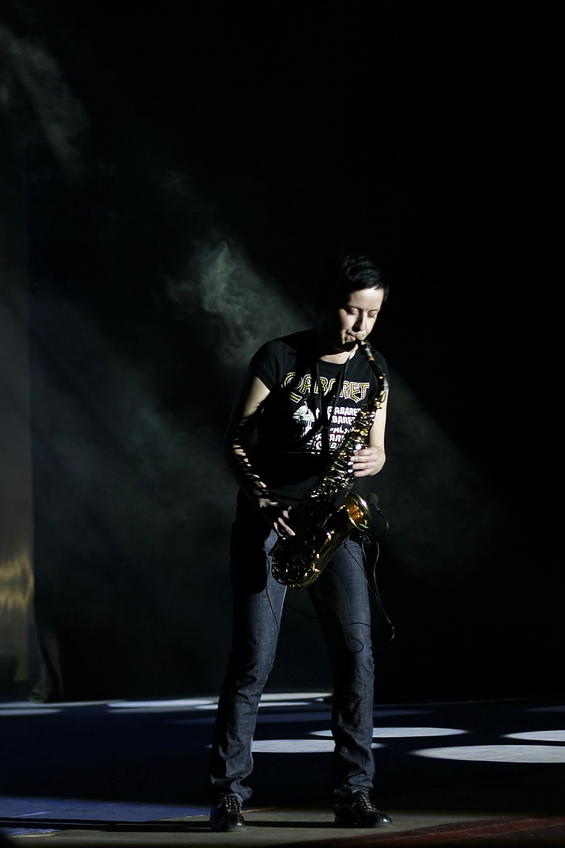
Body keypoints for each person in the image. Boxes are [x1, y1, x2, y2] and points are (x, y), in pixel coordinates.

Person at [208, 252, 392, 831]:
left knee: (358, 656)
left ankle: (354, 792)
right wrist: (263, 500)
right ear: (325, 304)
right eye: (351, 311)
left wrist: (376, 458)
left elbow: (378, 447)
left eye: (372, 315)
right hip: (270, 520)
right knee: (253, 660)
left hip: (333, 523)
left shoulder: (375, 370)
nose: (361, 326)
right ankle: (228, 793)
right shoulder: (279, 356)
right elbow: (235, 440)